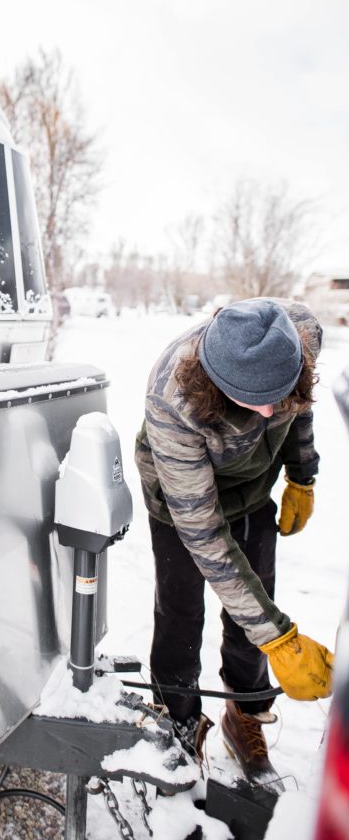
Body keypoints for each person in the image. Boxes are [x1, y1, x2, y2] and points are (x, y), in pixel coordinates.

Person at [134, 297, 334, 786]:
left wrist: (302, 474)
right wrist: (279, 637)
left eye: (277, 394)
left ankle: (244, 713)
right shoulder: (173, 398)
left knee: (255, 599)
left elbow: (299, 407)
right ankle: (177, 719)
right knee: (180, 613)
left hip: (253, 489)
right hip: (181, 502)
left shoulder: (299, 337)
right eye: (253, 399)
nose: (268, 411)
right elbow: (202, 531)